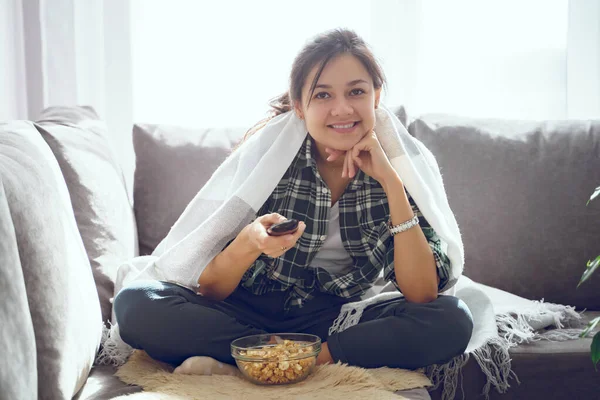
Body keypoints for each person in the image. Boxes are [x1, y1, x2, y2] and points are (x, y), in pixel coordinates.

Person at [113, 28, 473, 376]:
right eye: (323, 95)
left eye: (356, 92)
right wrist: (251, 242)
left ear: (376, 97)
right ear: (299, 105)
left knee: (452, 318)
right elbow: (210, 289)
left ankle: (281, 361)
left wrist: (392, 184)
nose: (342, 109)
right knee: (136, 305)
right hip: (244, 312)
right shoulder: (269, 158)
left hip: (333, 320)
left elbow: (422, 293)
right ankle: (268, 354)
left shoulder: (400, 166)